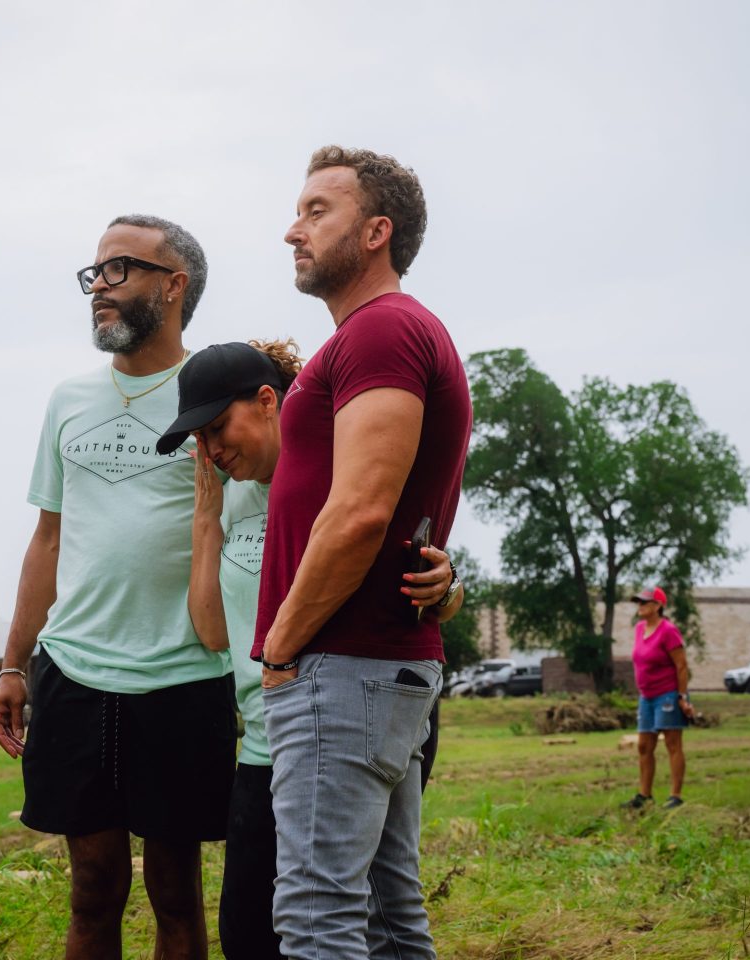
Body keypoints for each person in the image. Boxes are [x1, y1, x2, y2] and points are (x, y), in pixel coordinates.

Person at [157, 340, 464, 960]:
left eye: (219, 427)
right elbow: (215, 633)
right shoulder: (231, 498)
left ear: (268, 402)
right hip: (268, 736)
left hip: (349, 710)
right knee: (249, 932)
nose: (213, 449)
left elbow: (395, 562)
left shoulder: (338, 471)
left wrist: (449, 586)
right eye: (201, 438)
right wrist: (205, 520)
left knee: (354, 910)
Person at [0, 215, 234, 960]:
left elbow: (257, 530)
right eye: (94, 272)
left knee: (175, 894)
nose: (100, 286)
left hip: (183, 675)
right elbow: (48, 538)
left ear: (174, 284)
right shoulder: (67, 399)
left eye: (120, 269)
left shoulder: (213, 397)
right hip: (76, 674)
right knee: (92, 886)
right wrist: (12, 663)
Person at [254, 146, 472, 958]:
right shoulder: (384, 336)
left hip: (341, 665)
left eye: (318, 211)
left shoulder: (382, 330)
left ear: (376, 232)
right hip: (372, 665)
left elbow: (360, 513)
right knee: (385, 914)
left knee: (318, 916)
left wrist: (281, 645)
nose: (292, 231)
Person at [624, 587, 696, 810]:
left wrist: (682, 697)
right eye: (638, 602)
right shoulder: (639, 629)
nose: (640, 606)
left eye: (645, 602)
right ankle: (644, 795)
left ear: (657, 606)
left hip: (667, 695)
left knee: (673, 744)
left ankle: (676, 796)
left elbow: (681, 666)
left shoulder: (668, 631)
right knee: (644, 746)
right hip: (646, 697)